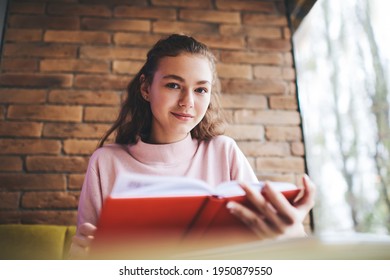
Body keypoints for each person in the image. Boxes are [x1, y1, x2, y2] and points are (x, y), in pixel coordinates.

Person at [69, 34, 315, 258]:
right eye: (174, 85)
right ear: (146, 88)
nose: (188, 101)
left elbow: (267, 250)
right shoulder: (106, 162)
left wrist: (291, 234)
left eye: (200, 89)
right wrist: (81, 258)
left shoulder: (223, 151)